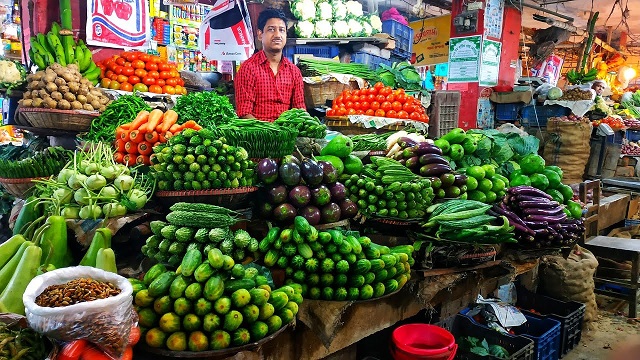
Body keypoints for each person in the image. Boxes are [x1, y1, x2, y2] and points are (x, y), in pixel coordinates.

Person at [234, 9, 305, 122]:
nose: (277, 35)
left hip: (287, 134)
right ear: (260, 34)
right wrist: (271, 132)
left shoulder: (294, 72)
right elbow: (244, 113)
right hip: (258, 135)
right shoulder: (248, 69)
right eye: (271, 29)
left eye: (281, 30)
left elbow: (300, 110)